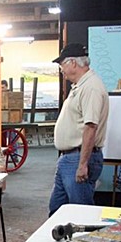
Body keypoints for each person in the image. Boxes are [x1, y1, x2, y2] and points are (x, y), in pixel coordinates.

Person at [49, 43, 108, 216]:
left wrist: (83, 164)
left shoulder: (91, 87)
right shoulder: (81, 86)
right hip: (69, 158)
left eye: (62, 65)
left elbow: (90, 127)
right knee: (57, 210)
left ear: (73, 63)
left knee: (80, 213)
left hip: (78, 158)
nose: (61, 70)